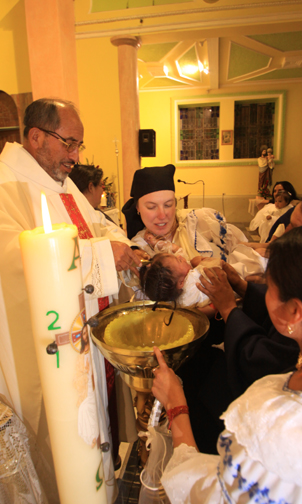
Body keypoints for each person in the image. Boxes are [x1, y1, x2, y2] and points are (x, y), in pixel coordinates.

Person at [0, 98, 142, 502]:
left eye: (79, 145)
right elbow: (12, 260)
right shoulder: (6, 184)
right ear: (35, 137)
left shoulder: (61, 183)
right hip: (51, 344)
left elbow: (101, 225)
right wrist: (100, 256)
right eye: (69, 143)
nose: (75, 156)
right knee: (62, 437)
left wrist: (115, 245)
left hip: (87, 336)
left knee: (92, 428)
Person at [152, 221, 302, 503]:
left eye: (269, 286)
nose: (258, 287)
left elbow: (203, 492)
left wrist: (176, 406)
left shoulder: (276, 429)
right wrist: (241, 288)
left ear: (294, 313)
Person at [122, 164, 247, 261]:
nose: (162, 215)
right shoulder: (139, 247)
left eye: (168, 205)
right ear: (137, 208)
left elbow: (241, 247)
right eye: (151, 207)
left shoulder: (198, 221)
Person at [139, 252, 221, 310]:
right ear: (181, 282)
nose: (180, 256)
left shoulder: (177, 302)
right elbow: (216, 265)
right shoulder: (193, 279)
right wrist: (199, 261)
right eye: (179, 260)